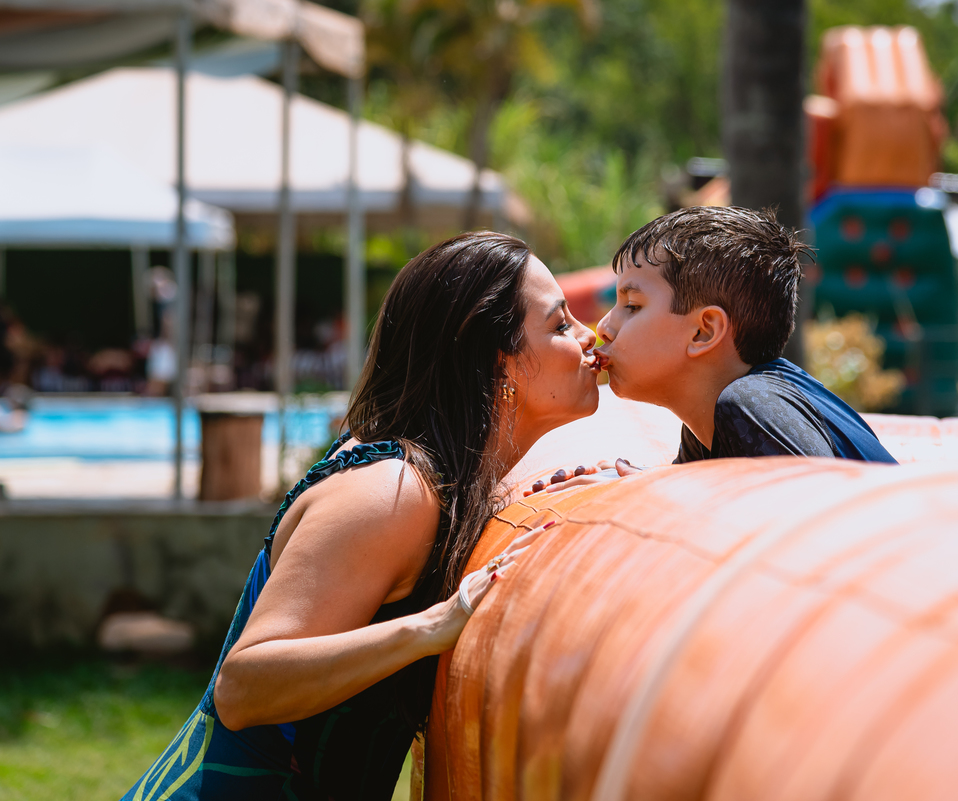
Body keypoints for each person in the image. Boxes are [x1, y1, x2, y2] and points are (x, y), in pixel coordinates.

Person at [124, 232, 601, 800]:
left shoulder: (439, 475)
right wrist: (427, 629)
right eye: (559, 324)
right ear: (497, 361)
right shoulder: (395, 490)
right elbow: (244, 686)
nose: (588, 336)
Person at [529, 206, 893, 495]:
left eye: (633, 306)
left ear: (704, 332)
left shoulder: (749, 404)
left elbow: (820, 523)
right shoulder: (705, 428)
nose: (604, 327)